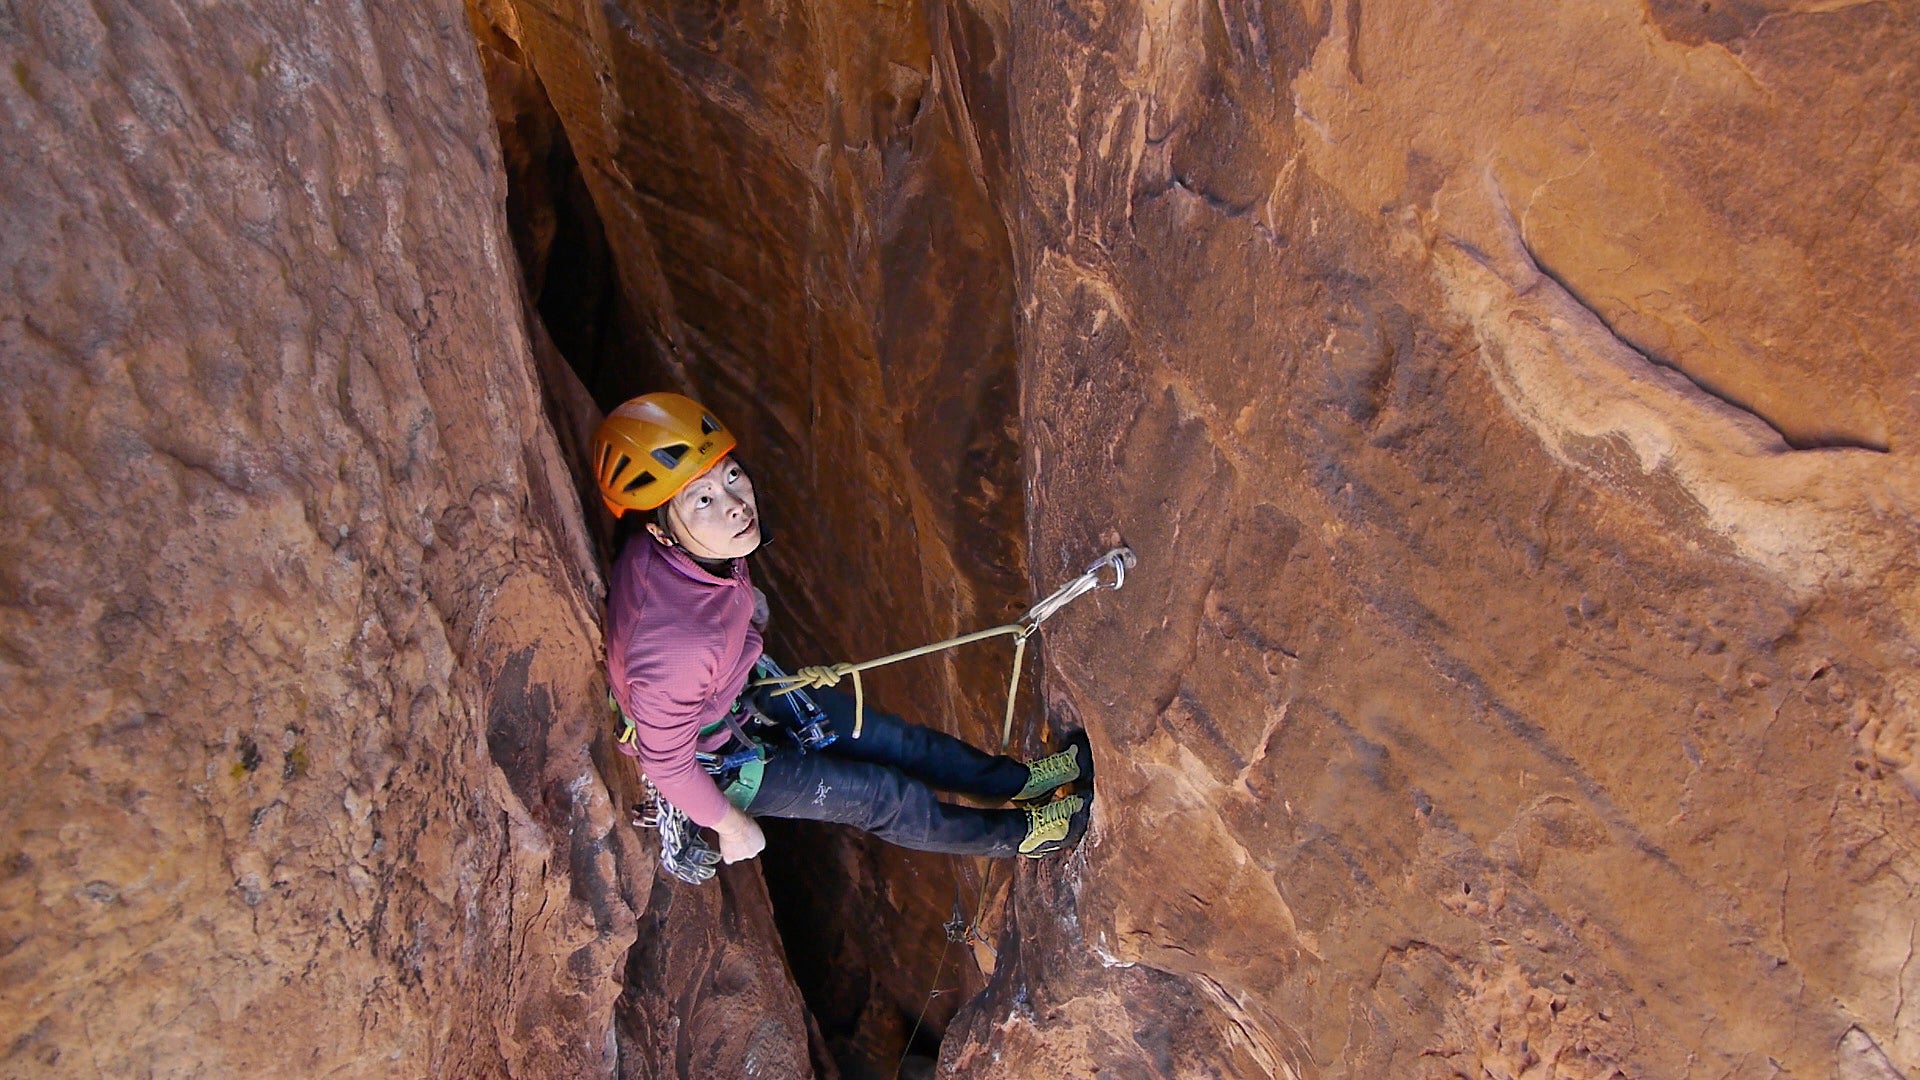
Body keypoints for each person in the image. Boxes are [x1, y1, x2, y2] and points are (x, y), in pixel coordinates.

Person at [597, 392, 1092, 866]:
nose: (735, 505)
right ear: (660, 531)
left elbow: (703, 598)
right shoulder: (677, 649)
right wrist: (729, 825)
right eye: (701, 500)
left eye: (731, 476)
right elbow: (666, 763)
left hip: (736, 684)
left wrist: (745, 610)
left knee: (897, 742)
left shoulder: (686, 550)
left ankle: (1021, 781)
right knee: (881, 798)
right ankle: (1028, 835)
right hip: (711, 750)